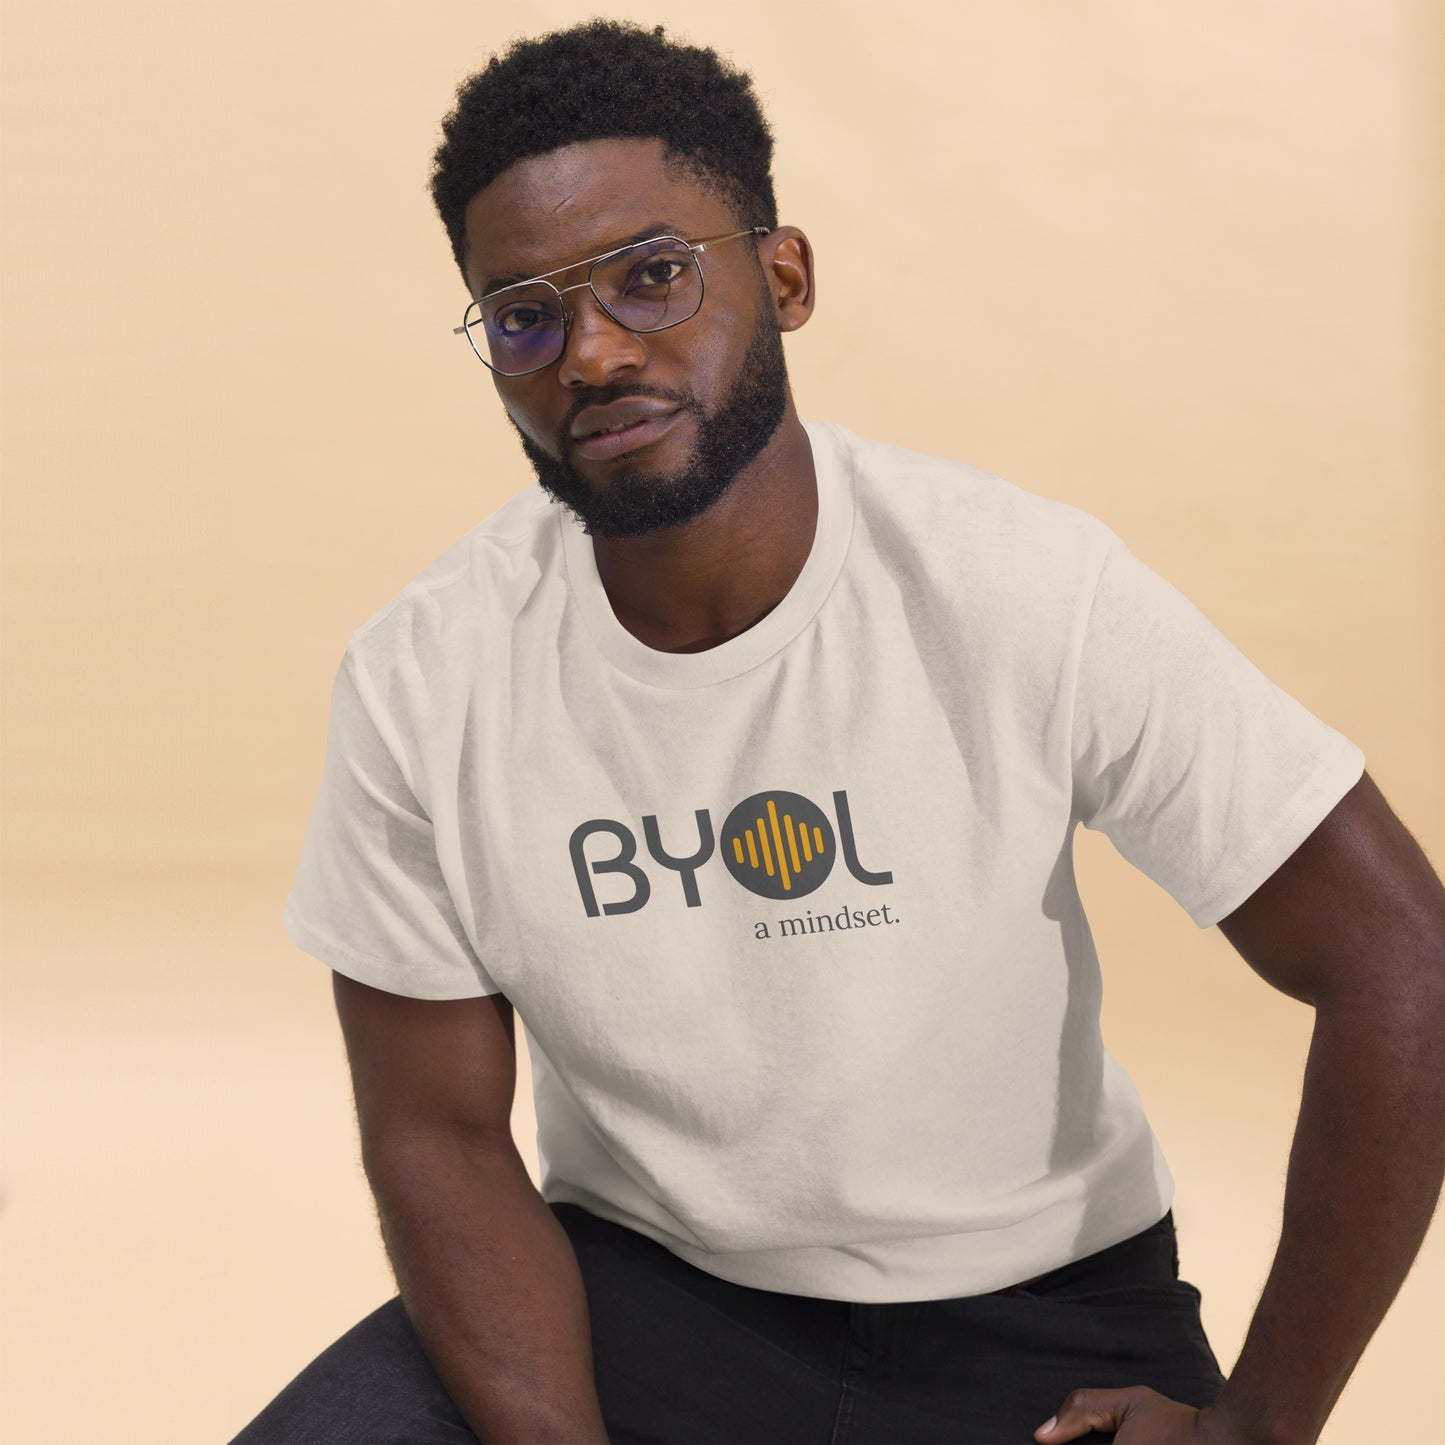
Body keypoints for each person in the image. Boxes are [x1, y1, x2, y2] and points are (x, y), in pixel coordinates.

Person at [232, 19, 1445, 1445]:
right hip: (644, 1300)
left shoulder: (1020, 586)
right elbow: (435, 1131)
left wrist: (1261, 1425)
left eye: (652, 274)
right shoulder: (423, 674)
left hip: (1035, 1321)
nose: (593, 352)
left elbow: (1400, 957)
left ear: (785, 277)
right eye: (523, 316)